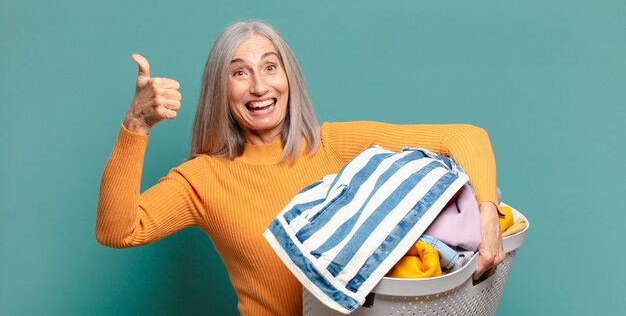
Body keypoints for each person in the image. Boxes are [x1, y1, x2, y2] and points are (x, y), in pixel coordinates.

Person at [96, 20, 504, 315]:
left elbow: (465, 137)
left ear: (289, 77)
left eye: (270, 67)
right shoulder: (204, 179)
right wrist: (136, 126)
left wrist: (487, 215)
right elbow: (118, 231)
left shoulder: (334, 145)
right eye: (239, 73)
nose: (259, 86)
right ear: (222, 90)